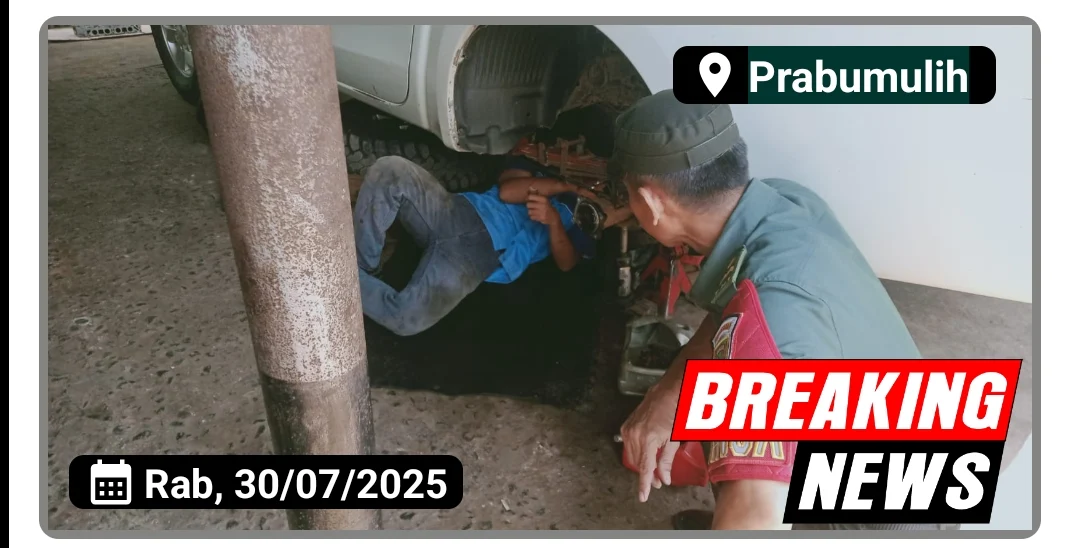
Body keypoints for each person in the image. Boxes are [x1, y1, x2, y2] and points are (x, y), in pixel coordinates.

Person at [612, 90, 950, 531]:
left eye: (629, 197)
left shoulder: (773, 326)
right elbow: (732, 313)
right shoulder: (780, 202)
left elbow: (756, 517)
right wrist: (669, 393)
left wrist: (738, 515)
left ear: (652, 202)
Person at [352, 153, 630, 337]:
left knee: (406, 318)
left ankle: (343, 281)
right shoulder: (540, 165)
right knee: (391, 169)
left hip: (474, 260)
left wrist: (554, 221)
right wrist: (565, 186)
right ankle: (365, 265)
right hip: (456, 212)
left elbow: (567, 263)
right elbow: (508, 191)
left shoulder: (584, 221)